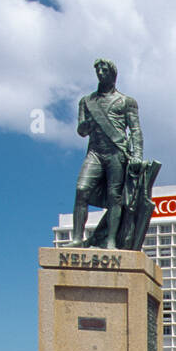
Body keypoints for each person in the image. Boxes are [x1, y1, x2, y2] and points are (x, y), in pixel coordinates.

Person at [68, 58, 152, 250]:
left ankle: (111, 240)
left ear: (113, 74)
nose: (100, 73)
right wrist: (85, 125)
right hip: (95, 152)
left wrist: (137, 155)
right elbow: (81, 132)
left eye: (104, 70)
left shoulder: (126, 101)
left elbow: (136, 130)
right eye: (97, 70)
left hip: (116, 153)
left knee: (115, 197)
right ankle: (77, 238)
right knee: (81, 190)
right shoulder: (86, 102)